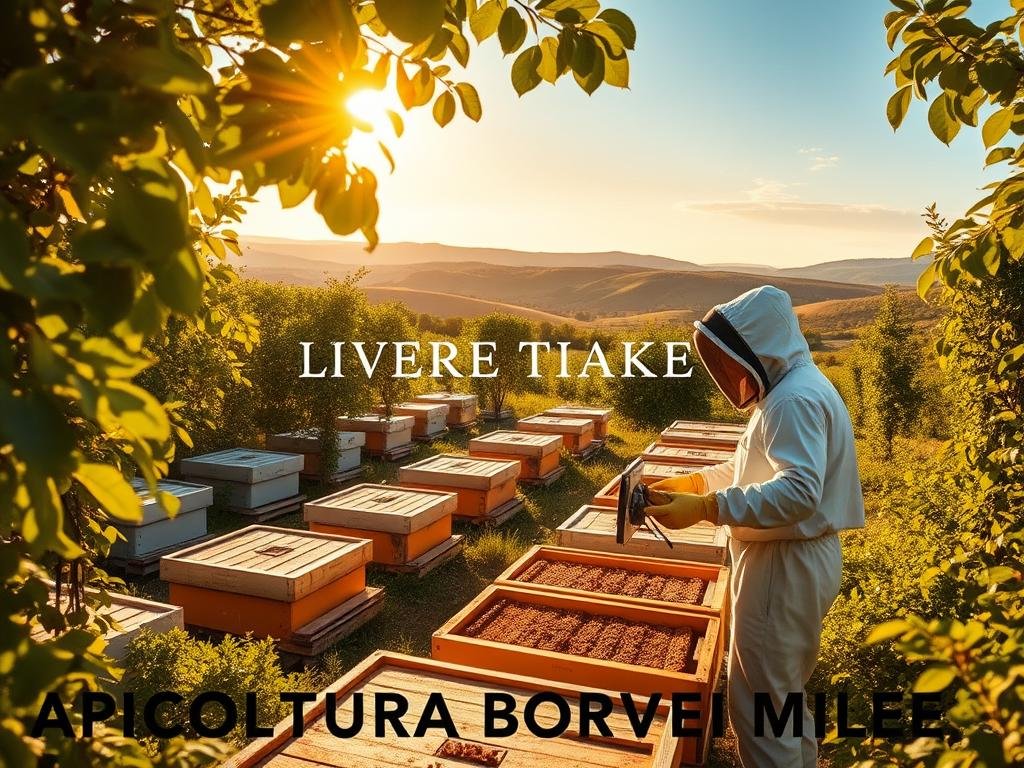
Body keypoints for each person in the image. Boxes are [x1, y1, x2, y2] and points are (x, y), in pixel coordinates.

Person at [645, 285, 864, 768]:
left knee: (760, 715)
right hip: (793, 561)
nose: (734, 373)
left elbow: (799, 492)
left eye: (735, 359)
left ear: (757, 345)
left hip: (781, 567)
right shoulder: (793, 389)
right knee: (780, 697)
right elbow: (757, 468)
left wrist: (707, 508)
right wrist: (699, 480)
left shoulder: (793, 401)